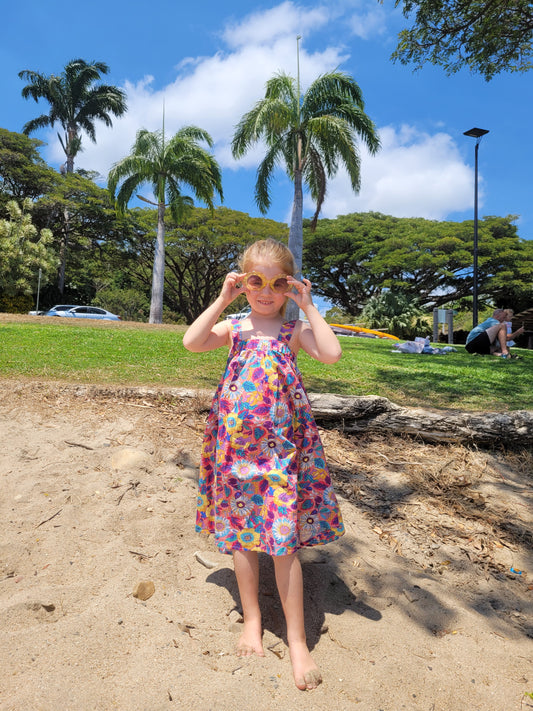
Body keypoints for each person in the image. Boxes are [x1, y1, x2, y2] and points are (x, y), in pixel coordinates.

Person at [183, 238, 344, 691]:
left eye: (277, 283)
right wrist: (222, 299)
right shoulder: (235, 326)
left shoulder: (292, 330)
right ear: (243, 281)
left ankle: (297, 641)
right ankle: (251, 621)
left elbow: (331, 353)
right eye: (256, 281)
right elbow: (192, 342)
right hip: (234, 450)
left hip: (281, 451)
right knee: (242, 535)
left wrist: (309, 307)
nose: (266, 291)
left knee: (283, 539)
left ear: (289, 286)